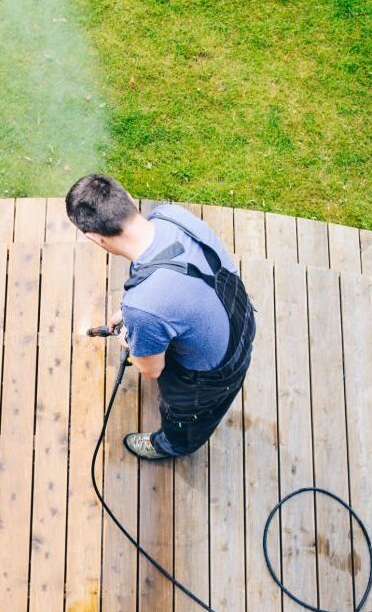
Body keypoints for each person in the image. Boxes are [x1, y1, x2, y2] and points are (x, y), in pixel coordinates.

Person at [65, 174, 256, 459]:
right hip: (239, 319)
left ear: (95, 238)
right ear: (128, 197)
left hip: (213, 377)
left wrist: (135, 334)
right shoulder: (170, 216)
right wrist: (138, 312)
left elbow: (151, 369)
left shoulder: (144, 307)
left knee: (187, 419)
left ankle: (171, 445)